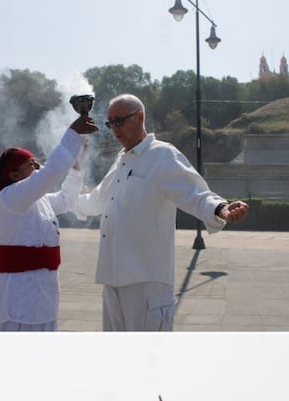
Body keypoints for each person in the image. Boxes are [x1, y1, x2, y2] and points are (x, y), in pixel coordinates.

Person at [73, 94, 250, 331]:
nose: (115, 128)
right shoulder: (121, 160)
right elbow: (96, 201)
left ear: (140, 117)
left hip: (146, 281)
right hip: (112, 277)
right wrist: (57, 198)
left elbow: (194, 193)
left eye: (120, 121)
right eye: (110, 123)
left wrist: (221, 208)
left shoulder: (161, 155)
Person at [0, 115, 97, 331]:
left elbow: (66, 200)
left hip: (43, 296)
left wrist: (76, 166)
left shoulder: (38, 199)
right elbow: (49, 174)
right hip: (17, 297)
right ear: (15, 175)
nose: (37, 165)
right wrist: (73, 133)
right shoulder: (9, 197)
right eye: (31, 163)